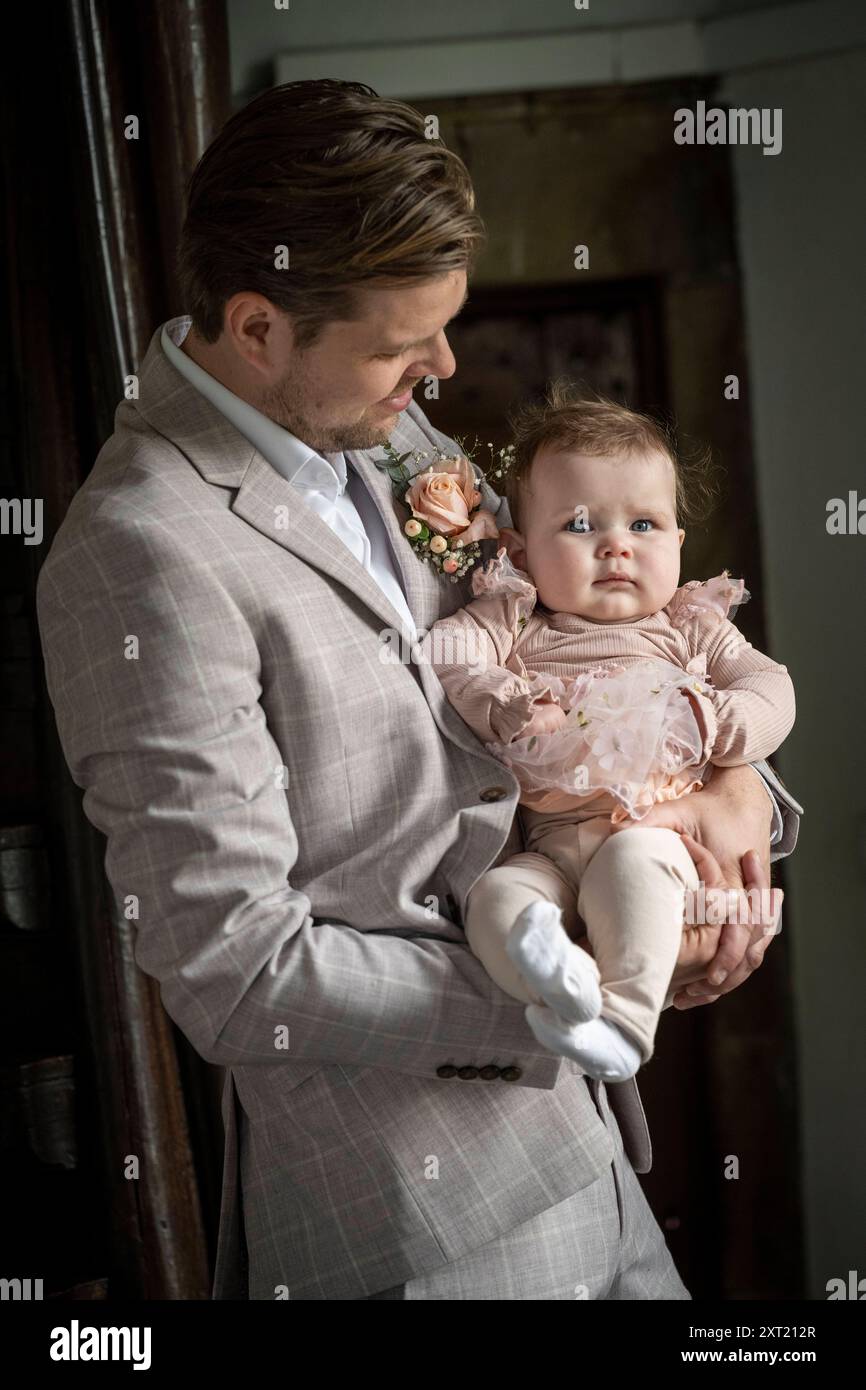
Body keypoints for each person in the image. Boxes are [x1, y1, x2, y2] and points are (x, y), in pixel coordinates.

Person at [34, 79, 801, 1301]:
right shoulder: (138, 553)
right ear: (258, 326)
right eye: (403, 343)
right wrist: (582, 981)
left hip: (596, 1156)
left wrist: (727, 804)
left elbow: (584, 622)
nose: (440, 367)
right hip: (413, 1224)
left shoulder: (389, 437)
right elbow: (238, 970)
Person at [422, 388, 796, 1084]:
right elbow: (447, 653)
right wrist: (505, 700)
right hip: (548, 847)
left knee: (636, 864)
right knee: (497, 901)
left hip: (656, 832)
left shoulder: (688, 623)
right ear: (522, 552)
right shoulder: (515, 615)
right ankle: (559, 982)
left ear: (680, 544)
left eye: (646, 525)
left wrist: (721, 726)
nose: (617, 545)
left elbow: (773, 686)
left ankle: (625, 1022)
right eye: (581, 524)